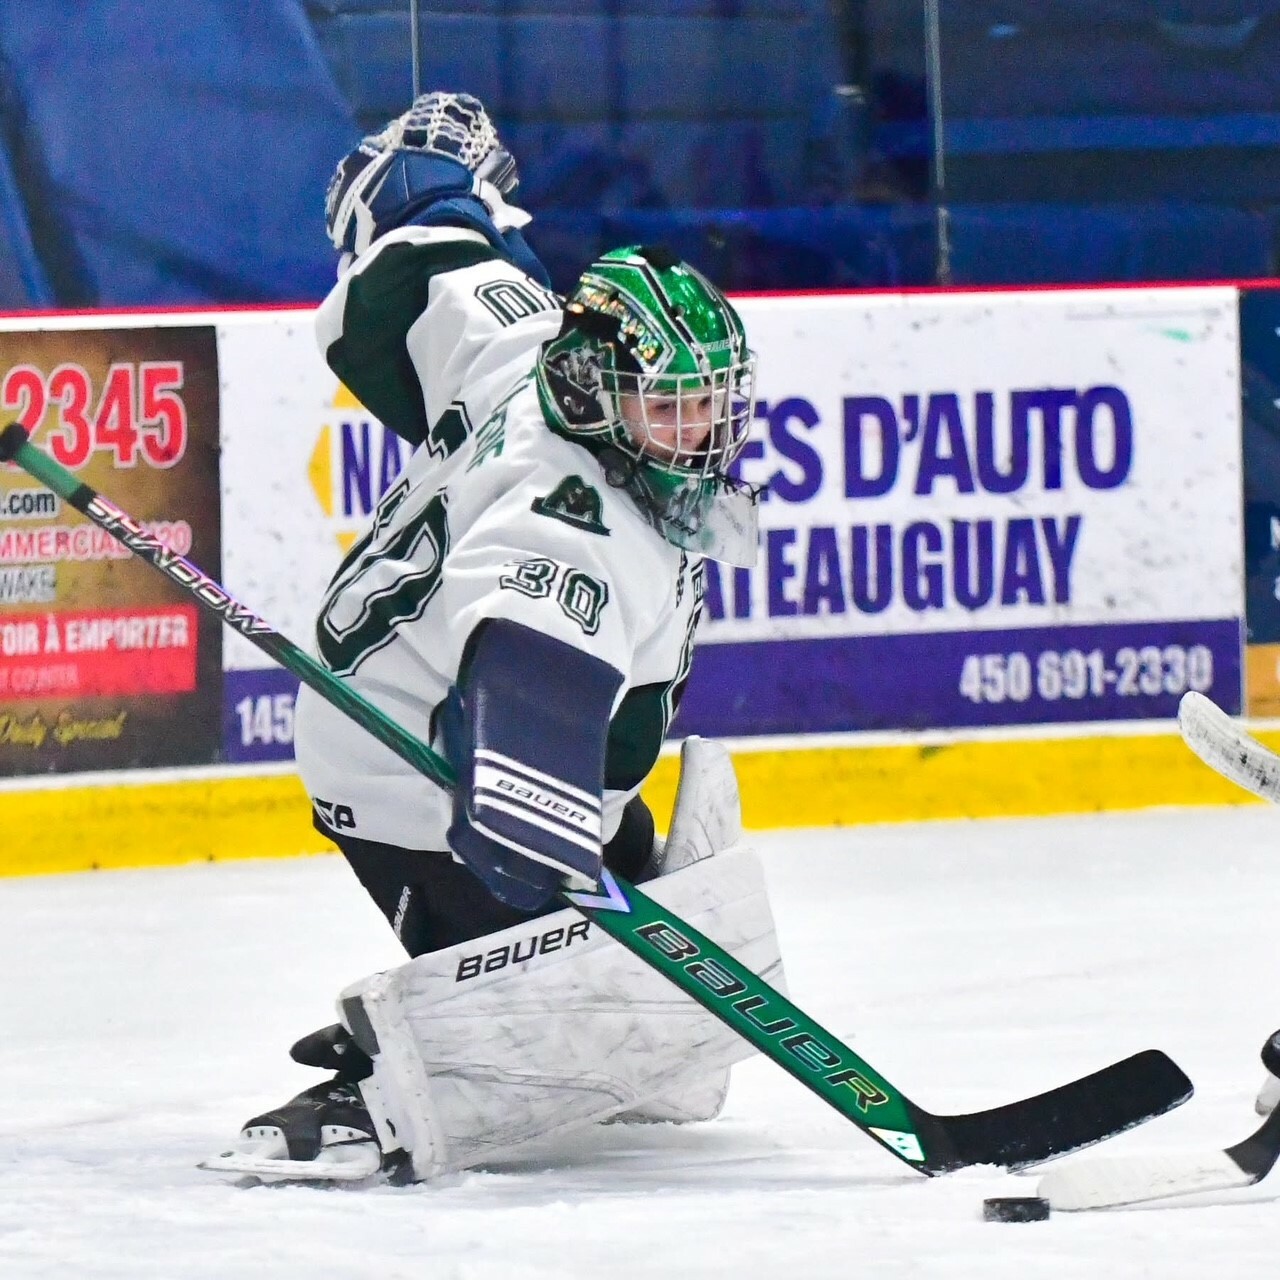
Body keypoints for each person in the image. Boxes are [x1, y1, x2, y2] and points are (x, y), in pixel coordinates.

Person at [201, 92, 784, 1185]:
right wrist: (532, 827)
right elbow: (527, 676)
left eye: (709, 402)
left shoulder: (526, 344)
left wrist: (439, 184)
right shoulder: (575, 525)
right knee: (534, 934)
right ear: (601, 392)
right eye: (668, 405)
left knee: (609, 856)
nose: (696, 431)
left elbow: (425, 256)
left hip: (413, 677)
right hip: (407, 775)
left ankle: (560, 973)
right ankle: (415, 1058)